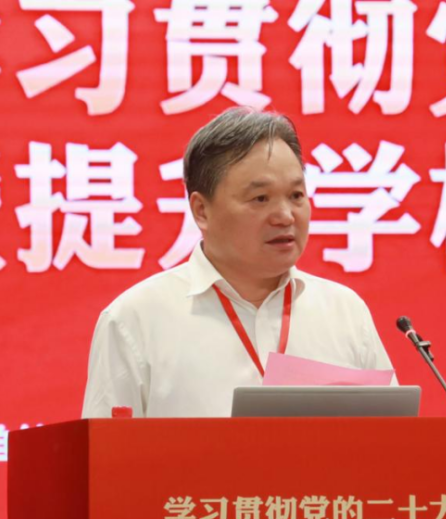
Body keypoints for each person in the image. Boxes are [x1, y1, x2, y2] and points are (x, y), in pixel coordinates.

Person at [81, 107, 393, 418]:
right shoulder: (136, 319)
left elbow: (392, 437)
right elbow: (103, 447)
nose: (285, 216)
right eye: (260, 199)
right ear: (202, 211)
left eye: (296, 195)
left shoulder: (344, 312)